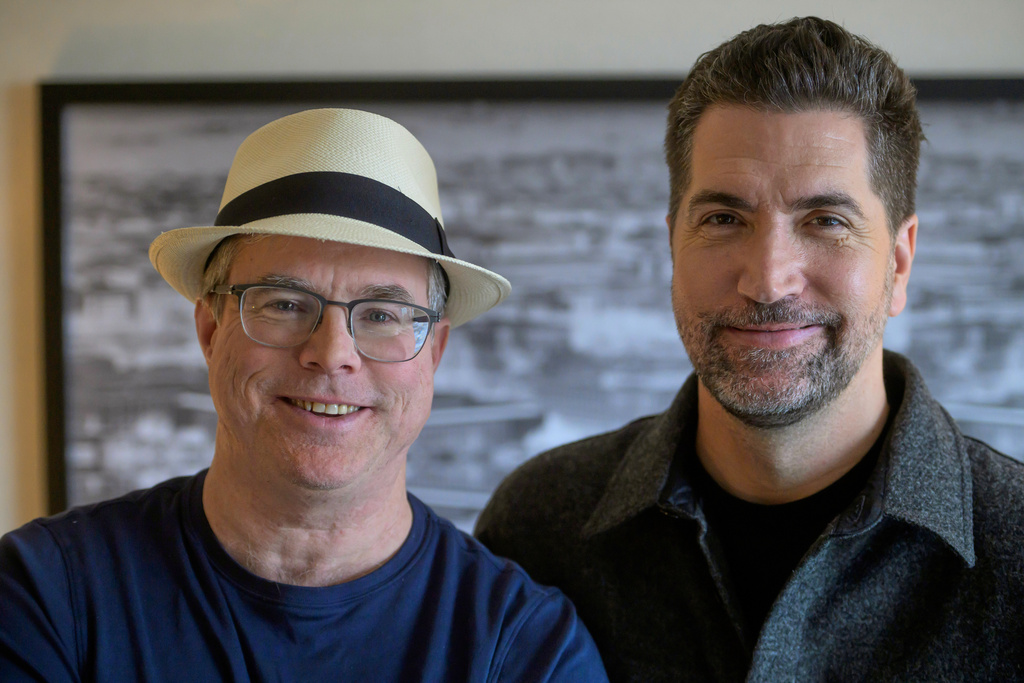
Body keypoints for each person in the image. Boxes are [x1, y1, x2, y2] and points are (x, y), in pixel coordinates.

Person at [476, 16, 1024, 682]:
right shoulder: (539, 530)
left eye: (826, 220)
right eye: (724, 218)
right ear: (672, 242)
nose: (768, 278)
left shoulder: (1015, 550)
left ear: (900, 262)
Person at [0, 108, 607, 682]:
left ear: (435, 353)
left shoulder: (526, 647)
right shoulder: (45, 595)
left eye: (382, 314)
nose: (332, 353)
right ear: (211, 330)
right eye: (285, 305)